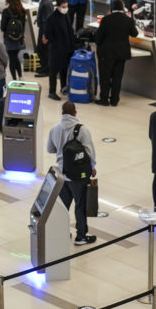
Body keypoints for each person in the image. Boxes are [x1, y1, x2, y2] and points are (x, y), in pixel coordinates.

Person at [46, 101, 97, 245]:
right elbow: (89, 152)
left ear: (62, 112)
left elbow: (49, 149)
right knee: (80, 205)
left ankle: (60, 231)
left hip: (62, 175)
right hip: (78, 176)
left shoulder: (55, 129)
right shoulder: (82, 130)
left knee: (63, 206)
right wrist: (92, 167)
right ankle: (81, 236)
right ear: (75, 112)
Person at [94, 0, 139, 106]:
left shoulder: (106, 19)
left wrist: (98, 44)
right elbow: (135, 34)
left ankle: (104, 99)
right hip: (121, 53)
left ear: (111, 8)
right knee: (117, 78)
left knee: (105, 77)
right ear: (122, 8)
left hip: (106, 53)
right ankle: (115, 100)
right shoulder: (128, 20)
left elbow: (99, 37)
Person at [43, 0, 75, 101]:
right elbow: (47, 35)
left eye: (66, 6)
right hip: (56, 50)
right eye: (63, 6)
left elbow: (69, 29)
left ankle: (63, 87)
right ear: (58, 7)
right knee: (53, 71)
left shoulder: (66, 15)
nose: (65, 8)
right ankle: (52, 92)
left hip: (66, 48)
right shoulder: (51, 18)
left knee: (64, 69)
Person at [0, 0, 26, 81]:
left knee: (12, 59)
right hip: (19, 40)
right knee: (16, 57)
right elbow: (23, 27)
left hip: (9, 40)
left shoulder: (6, 11)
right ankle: (20, 77)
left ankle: (14, 79)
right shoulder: (22, 11)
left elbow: (2, 27)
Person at [33, 0, 53, 77]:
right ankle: (42, 67)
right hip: (43, 29)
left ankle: (46, 70)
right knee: (40, 49)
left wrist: (45, 35)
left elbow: (47, 20)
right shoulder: (44, 2)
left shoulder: (46, 4)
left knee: (44, 50)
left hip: (45, 31)